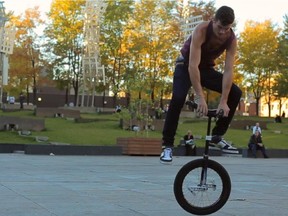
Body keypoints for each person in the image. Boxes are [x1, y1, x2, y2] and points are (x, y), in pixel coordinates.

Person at [160, 6, 242, 163]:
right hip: (185, 66)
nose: (222, 32)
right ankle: (167, 146)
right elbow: (192, 66)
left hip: (205, 69)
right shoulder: (201, 30)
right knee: (178, 99)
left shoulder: (231, 39)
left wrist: (223, 101)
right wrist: (200, 96)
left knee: (235, 93)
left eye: (227, 28)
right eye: (219, 27)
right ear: (213, 21)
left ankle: (217, 136)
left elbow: (228, 70)